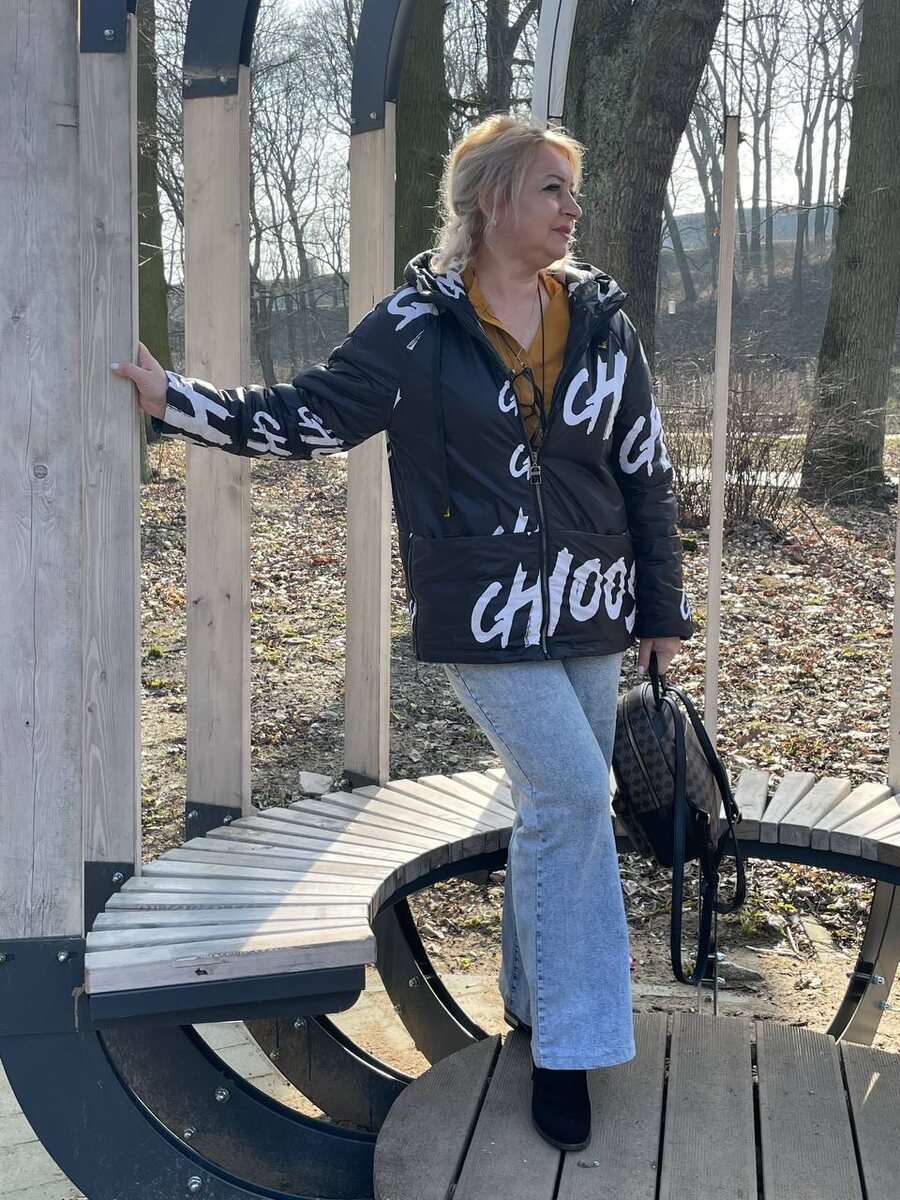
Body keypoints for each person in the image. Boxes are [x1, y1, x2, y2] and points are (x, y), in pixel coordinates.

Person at [112, 113, 692, 1153]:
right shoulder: (419, 327)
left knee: (550, 807)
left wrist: (660, 610)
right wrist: (176, 402)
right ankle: (573, 1046)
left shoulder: (603, 319)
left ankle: (532, 1000)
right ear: (492, 200)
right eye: (552, 189)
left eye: (572, 190)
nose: (572, 209)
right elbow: (311, 413)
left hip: (595, 603)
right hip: (484, 613)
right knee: (574, 793)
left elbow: (642, 468)